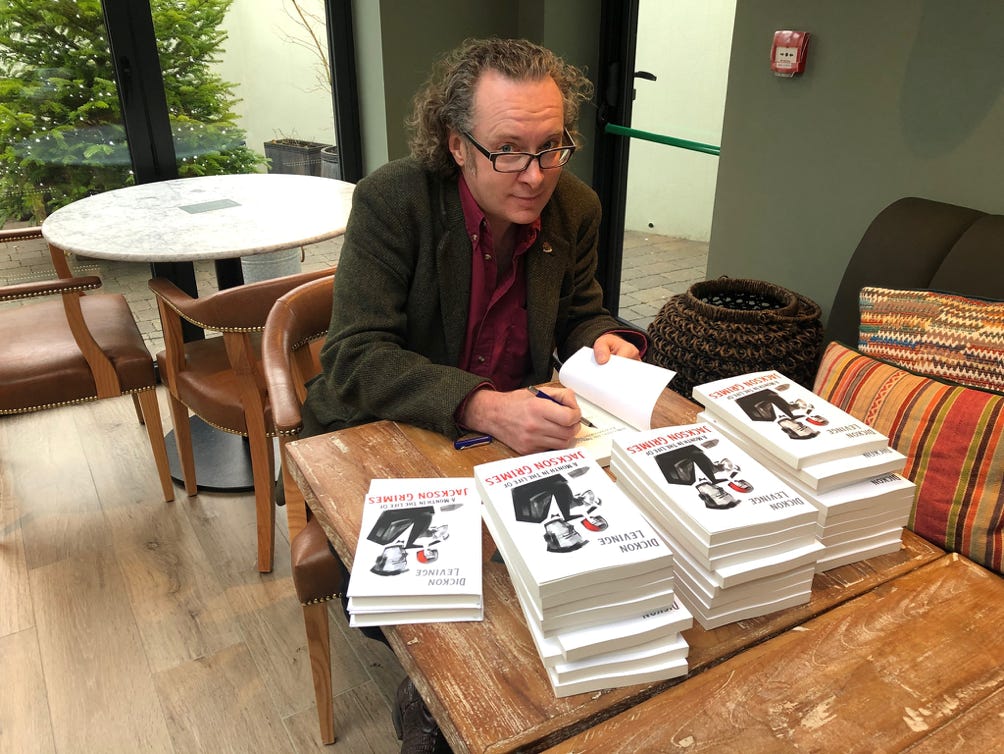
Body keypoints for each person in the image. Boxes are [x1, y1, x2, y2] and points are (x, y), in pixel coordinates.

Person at [301, 37, 648, 753]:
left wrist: (606, 339)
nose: (535, 175)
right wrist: (483, 405)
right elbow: (353, 356)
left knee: (589, 557)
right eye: (508, 151)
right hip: (388, 430)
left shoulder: (575, 207)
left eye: (551, 147)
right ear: (457, 145)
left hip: (508, 444)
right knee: (427, 588)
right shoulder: (395, 200)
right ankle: (437, 700)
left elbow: (580, 311)